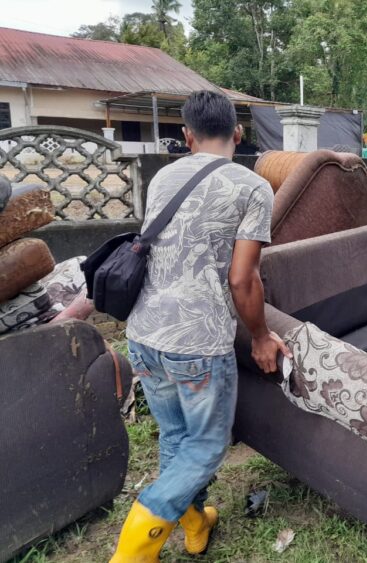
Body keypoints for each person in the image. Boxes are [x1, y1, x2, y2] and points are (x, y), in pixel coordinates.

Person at [110, 90, 291, 562]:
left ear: (186, 135)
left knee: (175, 438)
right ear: (238, 133)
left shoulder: (163, 177)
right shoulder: (253, 188)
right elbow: (242, 278)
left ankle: (193, 524)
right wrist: (260, 335)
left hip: (144, 334)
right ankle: (131, 553)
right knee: (208, 446)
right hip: (198, 342)